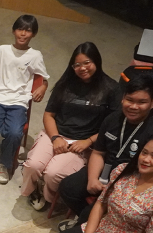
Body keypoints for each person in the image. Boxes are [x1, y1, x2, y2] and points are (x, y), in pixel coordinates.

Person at [56, 75, 153, 228]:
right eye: (130, 100)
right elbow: (98, 152)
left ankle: (89, 223)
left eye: (142, 102)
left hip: (134, 181)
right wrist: (92, 179)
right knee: (67, 188)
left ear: (152, 103)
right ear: (123, 98)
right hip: (107, 169)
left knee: (91, 212)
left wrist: (116, 188)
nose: (134, 106)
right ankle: (95, 224)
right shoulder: (112, 119)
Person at [20, 42, 120, 210]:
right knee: (33, 165)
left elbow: (112, 124)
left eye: (87, 62)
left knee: (53, 173)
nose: (82, 68)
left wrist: (88, 141)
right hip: (57, 133)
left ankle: (49, 196)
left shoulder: (111, 88)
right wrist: (55, 137)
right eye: (77, 65)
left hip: (82, 141)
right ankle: (33, 190)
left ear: (96, 61)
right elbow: (49, 114)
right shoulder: (66, 83)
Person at [0, 15, 49, 185]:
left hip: (18, 103)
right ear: (14, 30)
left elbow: (44, 78)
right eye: (20, 29)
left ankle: (3, 163)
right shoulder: (2, 50)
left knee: (15, 132)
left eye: (28, 30)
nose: (23, 34)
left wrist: (43, 87)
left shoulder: (35, 55)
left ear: (33, 34)